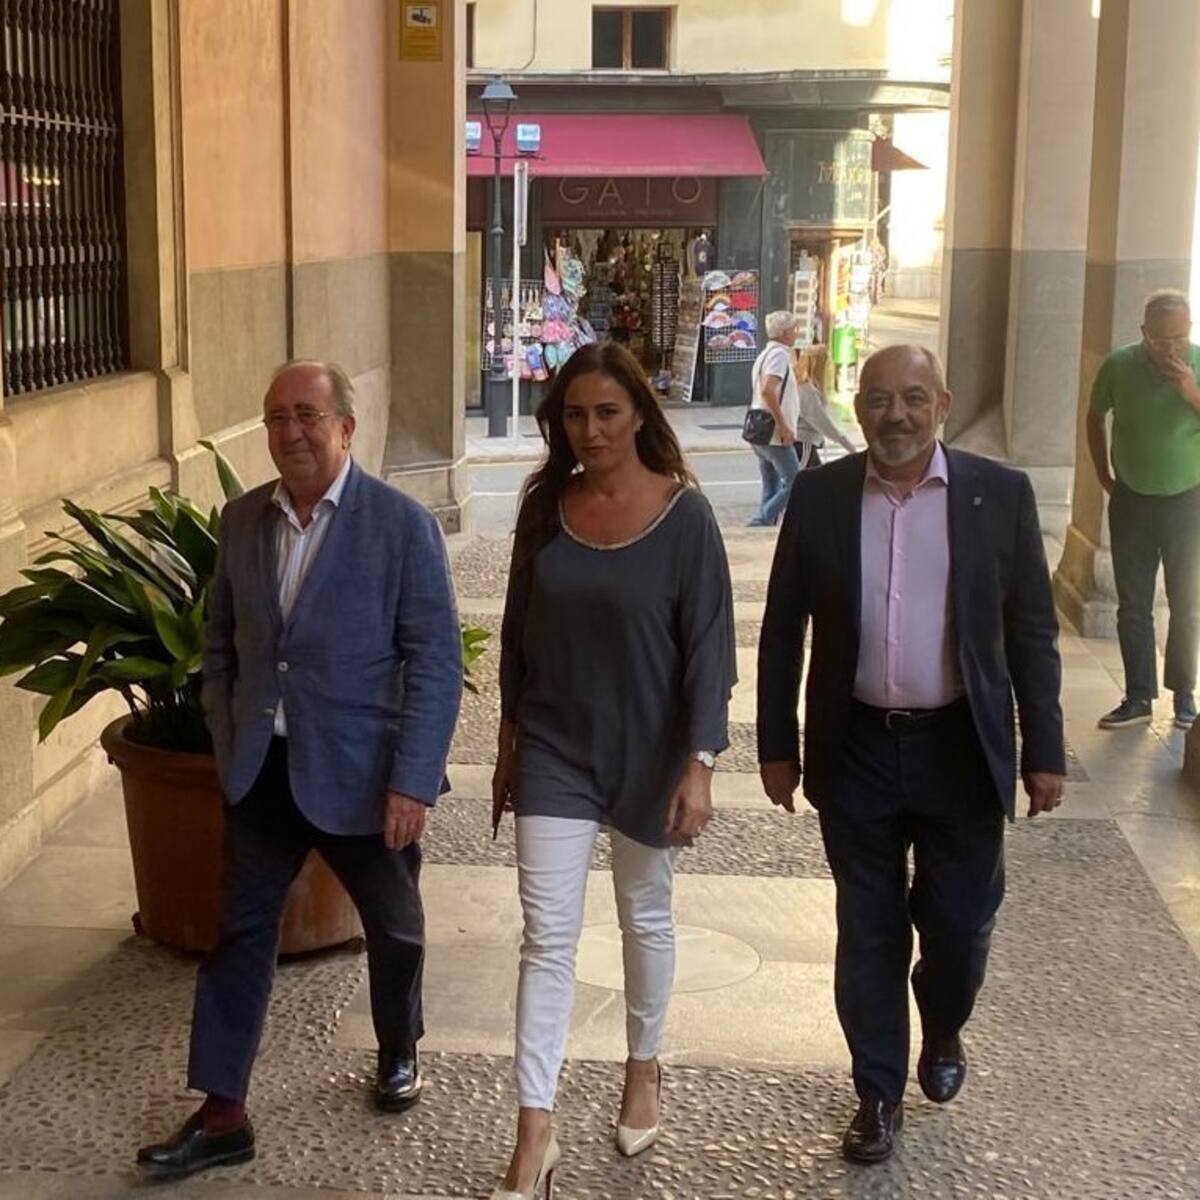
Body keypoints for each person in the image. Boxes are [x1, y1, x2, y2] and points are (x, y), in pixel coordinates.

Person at [137, 361, 463, 1180]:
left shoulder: (401, 526)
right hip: (264, 768)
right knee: (240, 935)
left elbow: (434, 660)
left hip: (366, 774)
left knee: (395, 926)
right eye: (277, 417)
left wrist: (412, 779)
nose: (291, 432)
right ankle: (223, 1113)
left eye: (307, 415)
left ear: (346, 427)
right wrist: (227, 732)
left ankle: (399, 1046)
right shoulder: (243, 519)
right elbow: (219, 643)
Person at [757, 344, 1065, 1165]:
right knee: (868, 928)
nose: (896, 415)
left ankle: (944, 1019)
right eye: (880, 399)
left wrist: (1045, 750)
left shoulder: (998, 496)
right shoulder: (821, 495)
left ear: (943, 405)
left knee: (959, 927)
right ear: (858, 406)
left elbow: (1031, 631)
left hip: (961, 749)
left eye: (914, 398)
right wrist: (777, 746)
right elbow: (783, 627)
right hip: (855, 746)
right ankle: (877, 1091)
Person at [492, 342, 736, 1199]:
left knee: (645, 916)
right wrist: (507, 741)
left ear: (638, 415)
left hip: (651, 749)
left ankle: (643, 1068)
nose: (589, 430)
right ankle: (535, 1131)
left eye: (606, 412)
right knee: (546, 937)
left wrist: (700, 764)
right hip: (554, 747)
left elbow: (711, 651)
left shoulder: (685, 516)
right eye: (574, 414)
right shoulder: (544, 507)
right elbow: (517, 633)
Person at [1087, 289, 1200, 731]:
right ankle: (1138, 696)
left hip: (1187, 500)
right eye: (1160, 340)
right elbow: (1094, 416)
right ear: (1143, 333)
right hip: (1132, 498)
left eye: (1179, 338)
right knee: (1133, 603)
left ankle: (1184, 695)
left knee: (1186, 601)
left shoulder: (1197, 362)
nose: (1171, 348)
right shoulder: (1120, 364)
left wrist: (1189, 390)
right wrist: (1104, 475)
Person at [747, 310, 855, 527]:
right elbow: (768, 390)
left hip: (759, 428)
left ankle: (764, 523)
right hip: (775, 433)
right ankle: (763, 518)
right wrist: (784, 426)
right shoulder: (779, 356)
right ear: (785, 333)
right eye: (795, 329)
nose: (797, 333)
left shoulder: (764, 355)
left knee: (771, 483)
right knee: (795, 481)